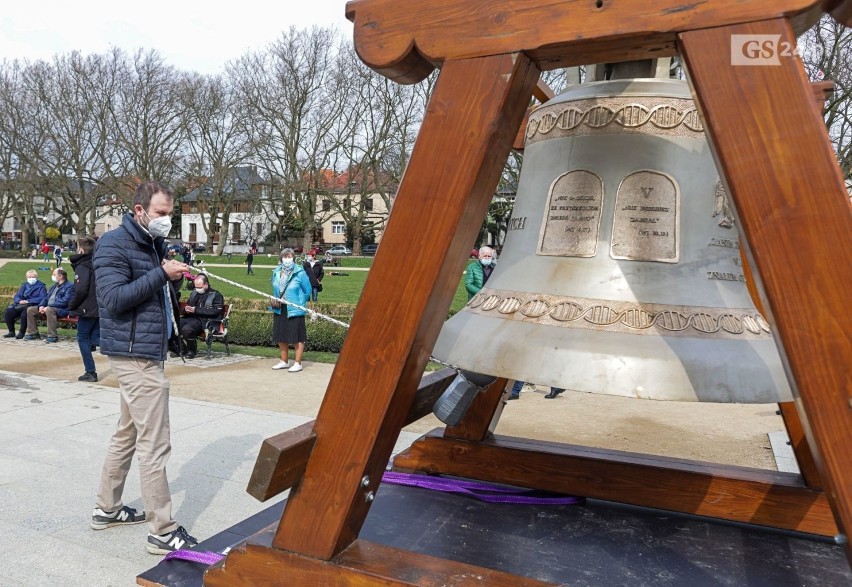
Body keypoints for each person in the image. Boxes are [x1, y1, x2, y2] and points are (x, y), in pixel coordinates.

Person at [91, 180, 198, 555]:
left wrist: (168, 277)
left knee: (128, 433)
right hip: (134, 356)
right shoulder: (113, 243)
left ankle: (108, 508)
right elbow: (113, 299)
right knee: (155, 443)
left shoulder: (151, 245)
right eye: (161, 214)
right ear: (140, 210)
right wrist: (160, 274)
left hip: (146, 351)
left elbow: (149, 296)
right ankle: (162, 530)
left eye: (171, 214)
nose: (167, 221)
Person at [270, 248, 312, 373]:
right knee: (280, 334)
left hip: (295, 308)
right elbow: (275, 287)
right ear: (281, 258)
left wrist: (300, 303)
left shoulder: (300, 272)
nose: (287, 258)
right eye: (285, 256)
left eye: (289, 256)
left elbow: (307, 290)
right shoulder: (277, 271)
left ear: (293, 258)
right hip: (280, 308)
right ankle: (284, 361)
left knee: (296, 336)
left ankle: (298, 363)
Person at [69, 236, 100, 381]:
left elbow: (80, 289)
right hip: (98, 306)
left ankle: (90, 371)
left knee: (82, 338)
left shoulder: (83, 266)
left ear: (81, 249)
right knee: (95, 337)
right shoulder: (97, 264)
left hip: (87, 308)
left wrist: (72, 306)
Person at [178, 274, 224, 359]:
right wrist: (186, 309)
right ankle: (181, 348)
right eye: (196, 287)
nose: (197, 289)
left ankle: (192, 350)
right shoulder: (194, 293)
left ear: (206, 284)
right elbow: (189, 305)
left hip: (205, 321)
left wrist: (196, 310)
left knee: (187, 329)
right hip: (192, 318)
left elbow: (215, 311)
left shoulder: (216, 295)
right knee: (174, 325)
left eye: (199, 287)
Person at [24, 268, 74, 343]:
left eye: (54, 274)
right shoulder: (54, 286)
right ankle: (33, 333)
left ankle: (52, 336)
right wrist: (41, 306)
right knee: (31, 310)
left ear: (60, 276)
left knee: (50, 310)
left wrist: (48, 307)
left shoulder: (69, 287)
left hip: (63, 310)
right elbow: (46, 298)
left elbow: (65, 302)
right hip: (49, 308)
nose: (52, 276)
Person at [4, 270, 48, 339]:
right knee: (9, 312)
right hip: (21, 305)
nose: (31, 278)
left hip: (33, 305)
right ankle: (11, 332)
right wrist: (19, 301)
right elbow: (17, 296)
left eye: (33, 277)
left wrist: (28, 301)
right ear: (26, 277)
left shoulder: (41, 286)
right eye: (29, 277)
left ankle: (22, 332)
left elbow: (43, 298)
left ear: (36, 277)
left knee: (25, 313)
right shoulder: (24, 285)